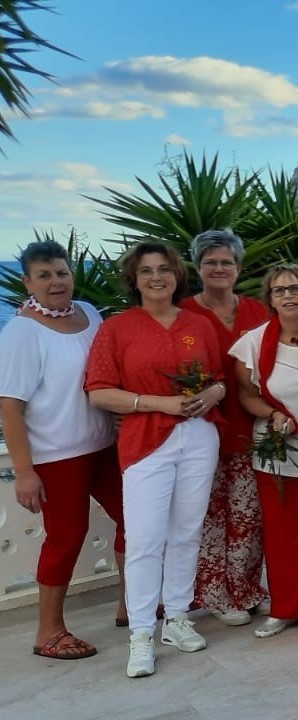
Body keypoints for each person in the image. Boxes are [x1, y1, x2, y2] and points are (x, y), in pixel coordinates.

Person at [86, 241, 225, 678]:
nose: (156, 277)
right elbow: (99, 391)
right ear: (135, 279)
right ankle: (142, 634)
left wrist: (210, 395)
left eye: (164, 269)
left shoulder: (198, 325)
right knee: (146, 539)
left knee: (187, 531)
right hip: (147, 442)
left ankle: (178, 618)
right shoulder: (117, 329)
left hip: (199, 436)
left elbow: (219, 380)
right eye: (146, 271)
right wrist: (157, 404)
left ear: (177, 275)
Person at [1, 240, 126, 661]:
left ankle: (134, 603)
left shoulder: (90, 313)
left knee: (136, 519)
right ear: (28, 281)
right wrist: (24, 471)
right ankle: (49, 631)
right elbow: (10, 406)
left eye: (61, 272)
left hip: (104, 445)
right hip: (57, 455)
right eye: (44, 275)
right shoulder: (21, 331)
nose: (55, 282)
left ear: (71, 274)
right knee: (67, 536)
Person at [229, 264, 298, 638]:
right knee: (285, 531)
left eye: (295, 288)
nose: (288, 296)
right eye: (279, 291)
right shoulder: (254, 343)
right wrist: (273, 412)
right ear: (270, 300)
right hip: (281, 446)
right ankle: (290, 606)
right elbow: (247, 394)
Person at [180, 229, 270, 626]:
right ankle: (216, 594)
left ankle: (248, 588)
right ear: (198, 267)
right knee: (210, 515)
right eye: (211, 261)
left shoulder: (258, 311)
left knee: (249, 515)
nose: (219, 268)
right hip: (202, 432)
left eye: (226, 262)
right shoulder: (183, 314)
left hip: (252, 429)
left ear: (239, 267)